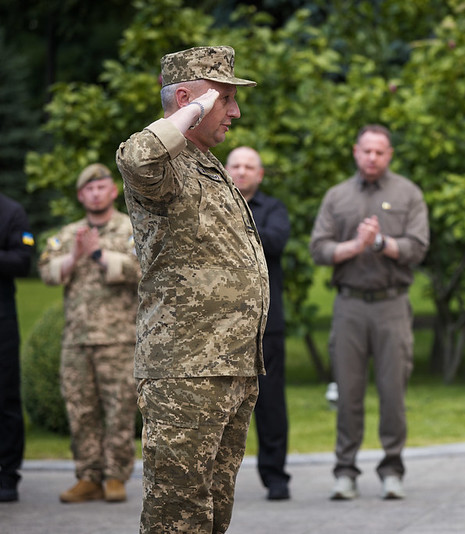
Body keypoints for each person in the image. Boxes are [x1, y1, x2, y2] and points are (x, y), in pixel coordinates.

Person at [116, 46, 269, 533]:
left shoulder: (207, 163)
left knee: (211, 513)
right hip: (187, 370)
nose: (235, 112)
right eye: (225, 99)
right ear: (187, 100)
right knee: (176, 516)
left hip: (229, 367)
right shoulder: (164, 164)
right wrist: (194, 107)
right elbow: (136, 157)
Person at [310, 124, 429, 501]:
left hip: (392, 305)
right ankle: (345, 471)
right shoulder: (337, 196)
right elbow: (319, 249)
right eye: (366, 151)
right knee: (348, 393)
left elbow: (417, 247)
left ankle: (392, 469)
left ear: (389, 154)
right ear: (355, 151)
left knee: (393, 393)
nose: (372, 158)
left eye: (380, 152)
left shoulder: (407, 193)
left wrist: (380, 243)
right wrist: (354, 246)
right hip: (349, 306)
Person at [38, 164, 141, 504]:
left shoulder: (131, 228)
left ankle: (115, 477)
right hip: (77, 339)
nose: (96, 194)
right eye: (89, 189)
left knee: (119, 410)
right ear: (81, 195)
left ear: (113, 191)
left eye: (102, 188)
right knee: (80, 410)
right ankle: (88, 476)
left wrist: (99, 254)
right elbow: (47, 272)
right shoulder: (67, 234)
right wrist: (73, 256)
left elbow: (143, 269)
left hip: (119, 338)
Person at [226, 146, 292, 500]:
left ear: (260, 174)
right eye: (235, 165)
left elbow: (276, 242)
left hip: (266, 323)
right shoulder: (212, 204)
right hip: (221, 324)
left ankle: (276, 477)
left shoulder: (273, 209)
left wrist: (237, 230)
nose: (242, 171)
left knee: (270, 405)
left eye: (249, 166)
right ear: (225, 168)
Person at [0, 193, 34, 503]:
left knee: (5, 397)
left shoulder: (11, 212)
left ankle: (7, 475)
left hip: (2, 321)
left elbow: (22, 261)